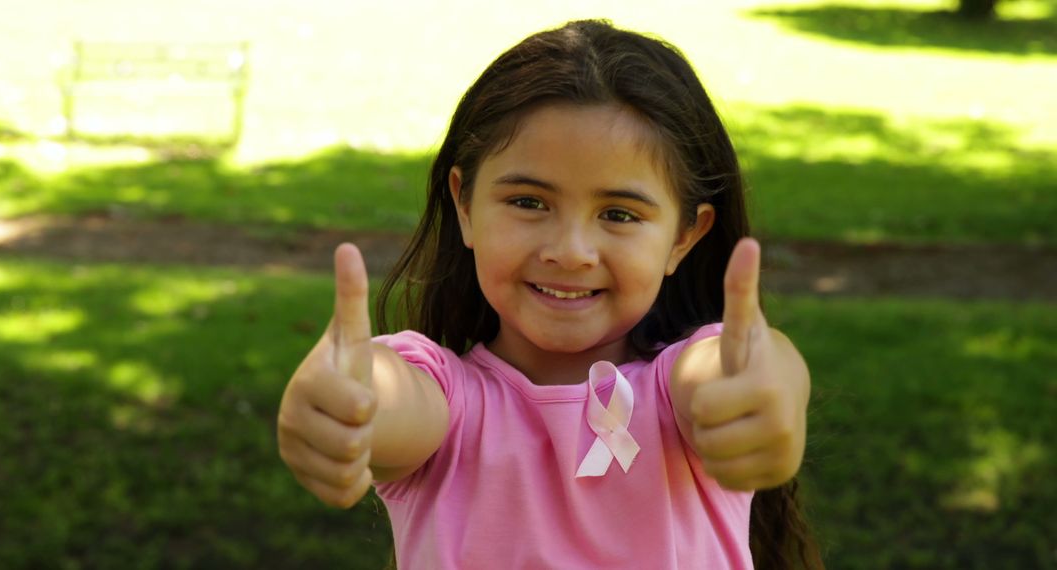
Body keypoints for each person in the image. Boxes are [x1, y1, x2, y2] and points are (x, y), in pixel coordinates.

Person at [278, 19, 822, 569]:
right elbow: (390, 399)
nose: (570, 250)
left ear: (683, 237)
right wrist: (346, 402)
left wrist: (765, 385)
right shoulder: (445, 401)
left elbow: (733, 373)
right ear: (465, 207)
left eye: (618, 214)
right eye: (529, 202)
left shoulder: (683, 394)